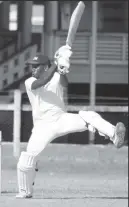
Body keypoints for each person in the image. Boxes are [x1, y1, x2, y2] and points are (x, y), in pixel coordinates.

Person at [16, 45, 126, 198]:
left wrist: (62, 68)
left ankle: (114, 135)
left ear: (45, 66)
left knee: (89, 116)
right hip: (42, 127)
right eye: (31, 67)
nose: (32, 69)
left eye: (36, 66)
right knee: (27, 160)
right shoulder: (30, 82)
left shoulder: (54, 75)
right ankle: (25, 192)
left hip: (61, 119)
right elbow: (42, 82)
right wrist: (56, 63)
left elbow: (64, 83)